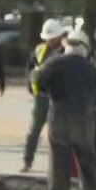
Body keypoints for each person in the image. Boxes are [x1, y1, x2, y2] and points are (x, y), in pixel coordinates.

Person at [34, 36, 96, 190]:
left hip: (58, 116)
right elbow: (95, 90)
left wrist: (51, 92)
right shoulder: (90, 68)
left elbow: (38, 82)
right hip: (84, 119)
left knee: (59, 163)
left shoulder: (53, 63)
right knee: (88, 163)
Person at [21, 18, 67, 171]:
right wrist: (30, 86)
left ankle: (58, 165)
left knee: (58, 134)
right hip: (41, 97)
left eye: (52, 38)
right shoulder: (39, 50)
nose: (50, 41)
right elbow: (30, 69)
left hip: (59, 98)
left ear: (60, 36)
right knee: (34, 130)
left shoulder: (66, 52)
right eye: (48, 38)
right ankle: (27, 161)